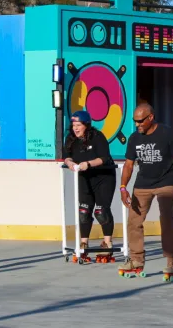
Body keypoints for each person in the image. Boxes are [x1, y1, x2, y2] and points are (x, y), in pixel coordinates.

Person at [118, 104, 173, 280]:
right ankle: (136, 260)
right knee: (134, 221)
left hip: (166, 182)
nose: (137, 125)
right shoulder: (134, 138)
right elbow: (128, 165)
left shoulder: (168, 133)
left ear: (151, 117)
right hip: (143, 183)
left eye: (140, 121)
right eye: (135, 121)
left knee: (166, 219)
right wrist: (123, 187)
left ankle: (172, 261)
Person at [63, 110, 117, 263]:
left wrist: (88, 164)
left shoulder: (97, 137)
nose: (76, 128)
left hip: (103, 177)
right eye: (74, 125)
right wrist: (70, 163)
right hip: (84, 178)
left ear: (86, 125)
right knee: (84, 211)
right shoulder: (71, 139)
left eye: (78, 125)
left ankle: (107, 243)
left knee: (101, 211)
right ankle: (84, 242)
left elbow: (104, 158)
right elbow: (66, 155)